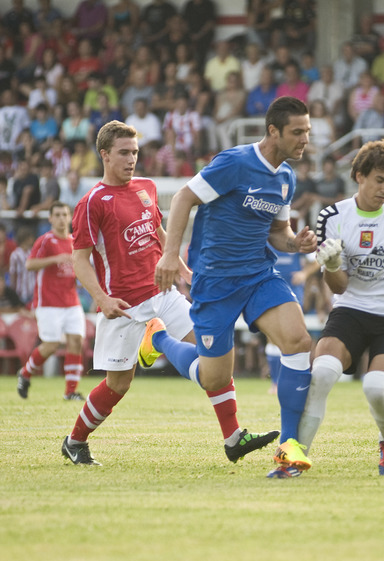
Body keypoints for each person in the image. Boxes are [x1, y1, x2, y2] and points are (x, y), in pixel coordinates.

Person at [61, 120, 279, 467]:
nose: (131, 159)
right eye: (123, 153)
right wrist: (101, 299)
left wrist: (181, 268)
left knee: (213, 349)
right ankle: (75, 441)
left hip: (161, 291)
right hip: (123, 305)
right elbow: (79, 259)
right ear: (104, 154)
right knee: (118, 385)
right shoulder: (92, 202)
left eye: (135, 152)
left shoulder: (145, 187)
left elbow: (159, 233)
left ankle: (233, 438)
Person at [144, 97, 317, 479]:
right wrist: (170, 255)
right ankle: (158, 339)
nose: (306, 138)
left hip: (258, 275)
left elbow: (279, 233)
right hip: (216, 279)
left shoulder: (286, 177)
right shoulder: (235, 162)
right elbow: (184, 198)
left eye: (307, 131)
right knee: (214, 379)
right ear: (273, 131)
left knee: (298, 341)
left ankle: (289, 446)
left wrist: (296, 243)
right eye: (298, 132)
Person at [296, 138, 384, 476]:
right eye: (380, 180)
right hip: (351, 310)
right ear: (359, 176)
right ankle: (295, 456)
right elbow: (339, 286)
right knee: (321, 373)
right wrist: (331, 266)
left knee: (376, 388)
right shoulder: (332, 216)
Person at [16, 202, 86, 401]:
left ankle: (70, 391)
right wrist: (55, 259)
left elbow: (77, 268)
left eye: (65, 214)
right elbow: (30, 264)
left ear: (70, 217)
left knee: (76, 341)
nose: (62, 218)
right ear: (50, 218)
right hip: (48, 303)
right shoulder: (45, 241)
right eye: (57, 215)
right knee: (51, 345)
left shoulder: (75, 240)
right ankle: (26, 373)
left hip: (71, 301)